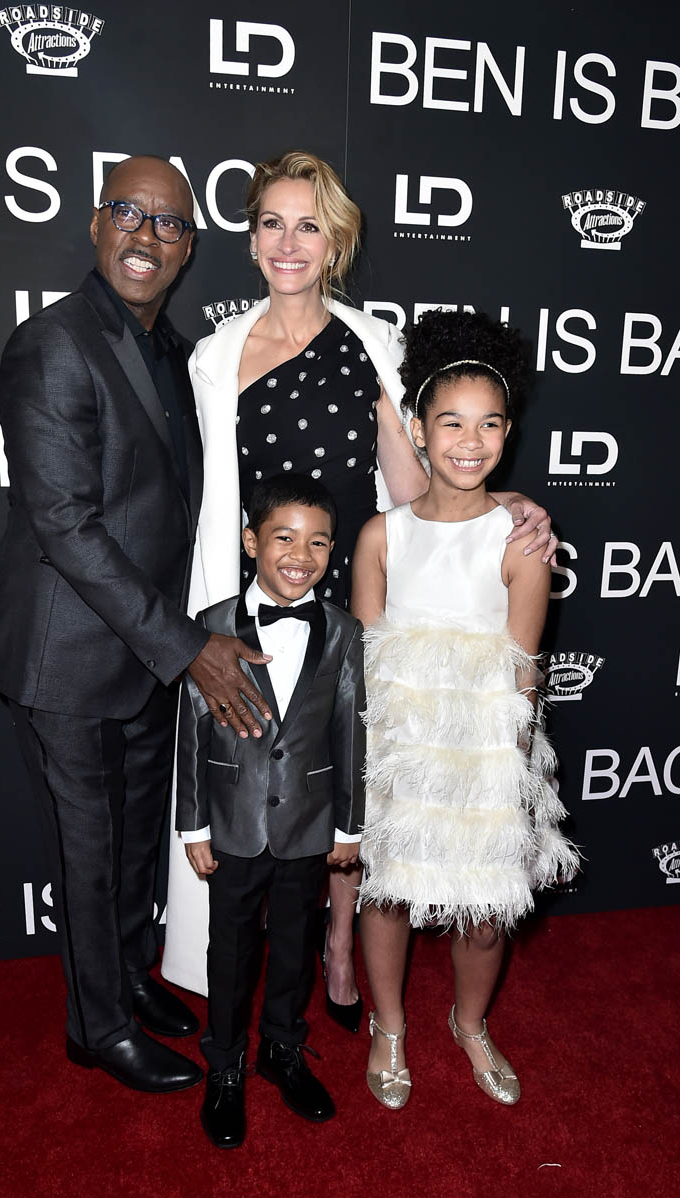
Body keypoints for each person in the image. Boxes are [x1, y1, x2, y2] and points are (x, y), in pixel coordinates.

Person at [163, 150, 558, 1026]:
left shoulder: (374, 344)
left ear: (334, 243)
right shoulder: (214, 356)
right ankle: (252, 951)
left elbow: (421, 482)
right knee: (262, 768)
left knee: (350, 769)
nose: (288, 242)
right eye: (272, 223)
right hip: (258, 590)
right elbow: (212, 495)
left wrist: (507, 505)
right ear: (250, 238)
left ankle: (339, 940)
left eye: (308, 225)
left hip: (359, 586)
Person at [0, 156, 275, 1094]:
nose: (147, 236)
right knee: (90, 857)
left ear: (189, 248)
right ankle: (94, 1028)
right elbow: (64, 523)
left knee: (137, 840)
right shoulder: (52, 343)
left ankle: (130, 978)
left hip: (146, 655)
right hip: (66, 656)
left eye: (169, 223)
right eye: (129, 214)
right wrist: (187, 648)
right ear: (97, 223)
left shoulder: (174, 353)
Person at [351, 309, 579, 1110]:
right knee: (386, 892)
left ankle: (469, 1023)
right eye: (450, 422)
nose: (469, 440)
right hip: (398, 746)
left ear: (507, 434)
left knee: (485, 911)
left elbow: (522, 668)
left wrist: (508, 777)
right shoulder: (380, 536)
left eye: (488, 423)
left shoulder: (521, 544)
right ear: (418, 431)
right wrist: (370, 771)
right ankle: (388, 1025)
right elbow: (366, 667)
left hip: (486, 749)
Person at [176, 474, 366, 1148]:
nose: (300, 555)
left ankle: (283, 1049)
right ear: (251, 541)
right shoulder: (208, 626)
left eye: (318, 542)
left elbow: (349, 731)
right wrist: (193, 824)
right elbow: (192, 730)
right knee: (229, 951)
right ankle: (224, 1066)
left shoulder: (343, 631)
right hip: (231, 821)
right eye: (284, 537)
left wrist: (349, 826)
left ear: (333, 550)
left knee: (292, 947)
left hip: (308, 825)